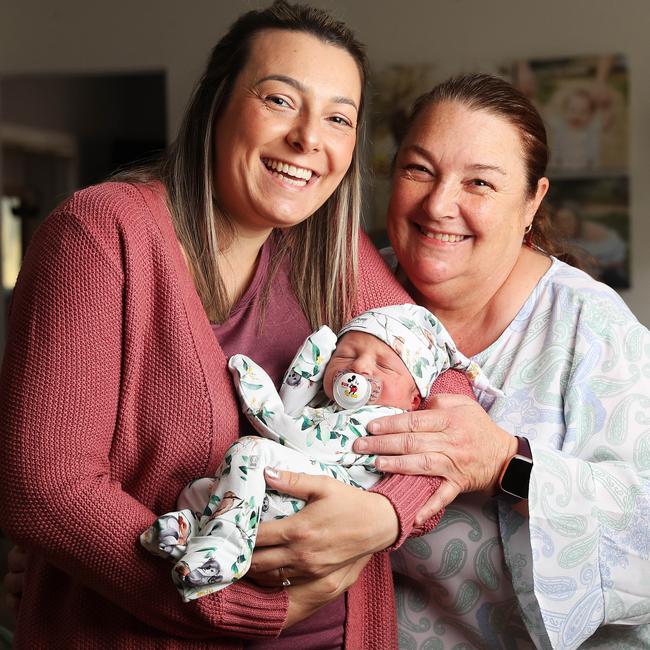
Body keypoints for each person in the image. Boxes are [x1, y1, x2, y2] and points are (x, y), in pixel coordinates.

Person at [0, 3, 470, 649]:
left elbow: (447, 393)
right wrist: (240, 611)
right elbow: (45, 489)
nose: (310, 138)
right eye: (281, 100)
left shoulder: (330, 253)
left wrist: (386, 514)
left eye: (338, 117)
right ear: (217, 105)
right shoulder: (102, 232)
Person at [349, 74, 650, 648]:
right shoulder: (354, 294)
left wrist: (505, 465)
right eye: (419, 170)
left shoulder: (591, 326)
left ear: (532, 201)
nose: (439, 204)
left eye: (479, 182)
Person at [140, 304, 499, 602]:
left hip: (318, 509)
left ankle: (226, 549)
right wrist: (320, 348)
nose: (359, 368)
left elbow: (298, 439)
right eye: (346, 354)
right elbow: (295, 413)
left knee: (249, 452)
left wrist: (264, 407)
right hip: (280, 499)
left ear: (414, 399)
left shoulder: (385, 420)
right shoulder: (327, 410)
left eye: (384, 365)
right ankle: (189, 535)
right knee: (201, 490)